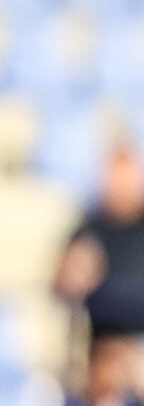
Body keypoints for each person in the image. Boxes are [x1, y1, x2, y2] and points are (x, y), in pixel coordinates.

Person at [54, 140, 144, 339]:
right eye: (116, 178)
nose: (123, 186)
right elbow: (64, 288)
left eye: (128, 178)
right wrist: (71, 277)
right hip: (106, 341)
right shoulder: (89, 230)